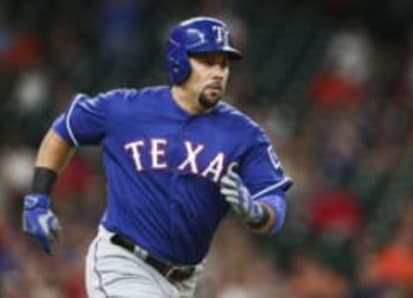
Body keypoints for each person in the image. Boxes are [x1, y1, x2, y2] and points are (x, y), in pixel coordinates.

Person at [22, 16, 292, 298]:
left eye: (224, 64)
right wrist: (38, 197)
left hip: (183, 281)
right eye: (207, 61)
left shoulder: (244, 134)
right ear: (179, 61)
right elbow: (64, 131)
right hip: (123, 262)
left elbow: (275, 204)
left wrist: (259, 214)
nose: (219, 72)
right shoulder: (127, 109)